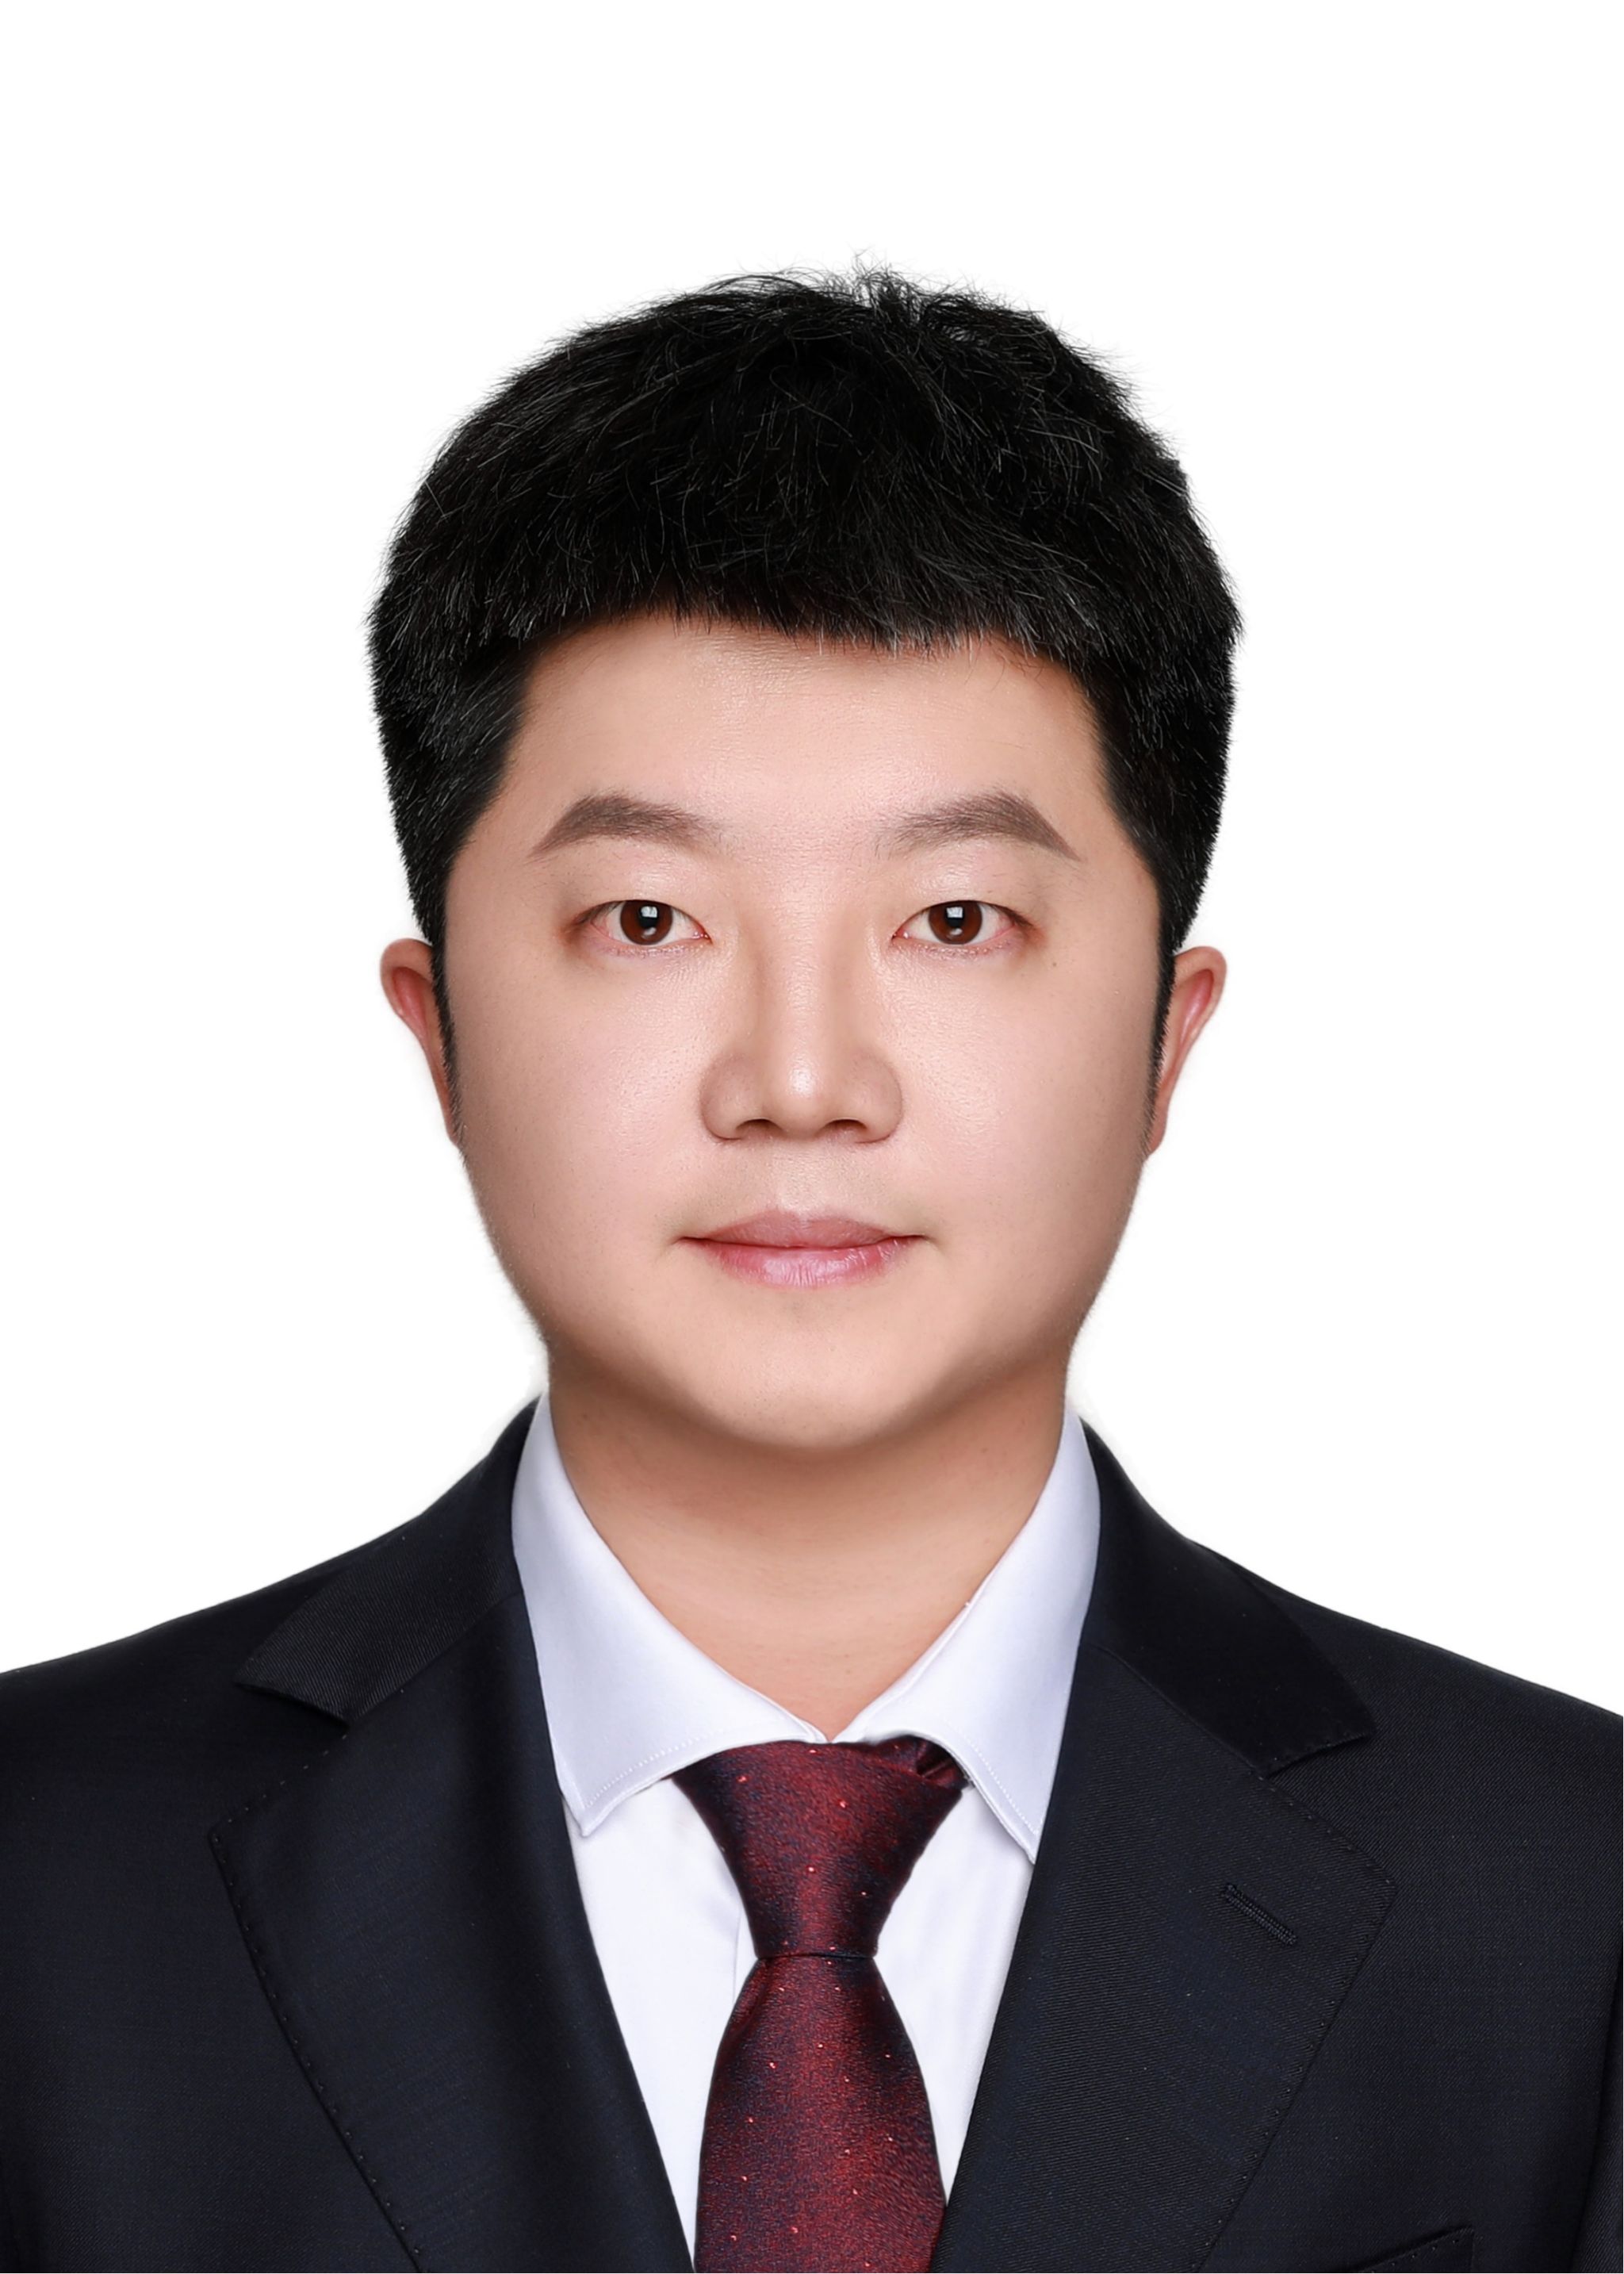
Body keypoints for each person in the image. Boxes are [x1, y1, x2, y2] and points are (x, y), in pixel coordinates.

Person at [0, 265, 1616, 2274]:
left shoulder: (1571, 1909)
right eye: (647, 921)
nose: (798, 1080)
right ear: (439, 1031)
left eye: (953, 920)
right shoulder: (43, 1883)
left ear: (1165, 1040)